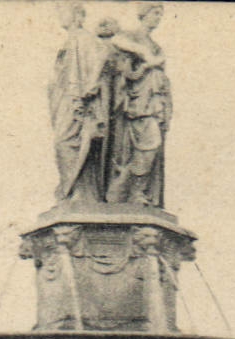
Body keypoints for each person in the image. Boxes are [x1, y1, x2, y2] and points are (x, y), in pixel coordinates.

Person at [106, 3, 170, 207]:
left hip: (154, 101)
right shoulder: (132, 36)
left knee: (152, 146)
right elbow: (116, 41)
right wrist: (144, 54)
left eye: (160, 14)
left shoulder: (156, 45)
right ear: (144, 14)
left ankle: (136, 191)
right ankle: (131, 190)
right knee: (149, 143)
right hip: (137, 103)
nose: (158, 18)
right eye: (155, 13)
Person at [49, 2, 114, 203]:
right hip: (64, 100)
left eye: (64, 10)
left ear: (77, 14)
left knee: (67, 142)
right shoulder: (71, 40)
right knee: (65, 143)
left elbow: (102, 56)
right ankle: (73, 191)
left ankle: (80, 191)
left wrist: (91, 83)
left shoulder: (84, 38)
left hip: (77, 102)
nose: (61, 15)